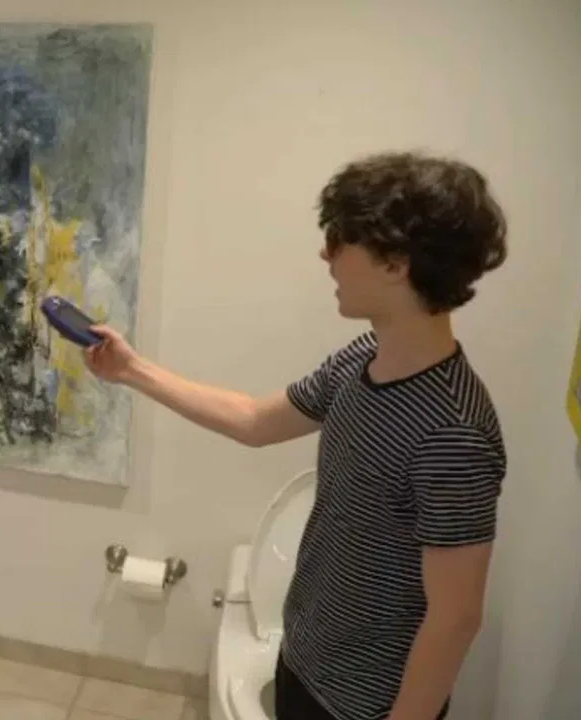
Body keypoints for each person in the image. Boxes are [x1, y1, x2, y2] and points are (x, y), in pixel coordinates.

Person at [85, 152, 508, 720]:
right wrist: (131, 370)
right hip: (302, 657)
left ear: (395, 263)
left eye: (339, 240)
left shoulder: (454, 432)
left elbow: (456, 618)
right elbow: (255, 421)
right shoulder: (364, 357)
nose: (325, 255)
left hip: (363, 705)